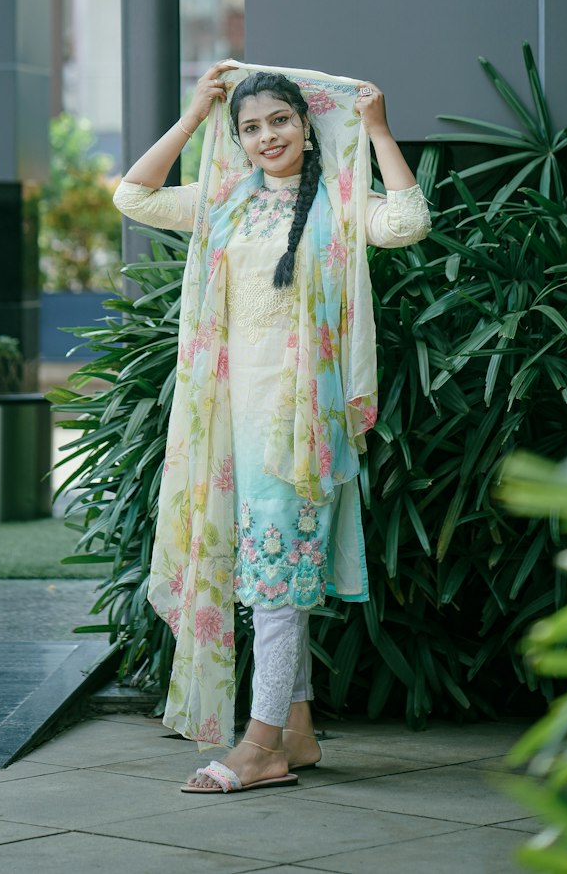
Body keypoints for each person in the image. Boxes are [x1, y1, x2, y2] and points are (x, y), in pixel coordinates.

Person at [113, 59, 432, 792]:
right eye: (250, 127)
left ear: (308, 127)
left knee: (277, 579)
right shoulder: (226, 203)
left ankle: (260, 748)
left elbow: (409, 222)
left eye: (279, 121)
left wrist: (377, 130)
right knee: (268, 571)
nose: (266, 137)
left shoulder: (341, 205)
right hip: (234, 421)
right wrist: (195, 116)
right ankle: (298, 732)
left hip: (301, 425)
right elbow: (133, 195)